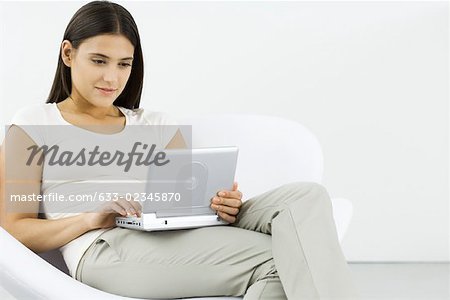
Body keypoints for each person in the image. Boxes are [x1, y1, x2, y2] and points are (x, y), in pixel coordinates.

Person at [0, 1, 360, 299]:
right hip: (106, 248)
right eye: (99, 60)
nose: (112, 78)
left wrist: (220, 207)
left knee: (306, 197)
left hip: (173, 232)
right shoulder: (33, 123)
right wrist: (92, 219)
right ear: (68, 53)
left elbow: (184, 205)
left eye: (124, 64)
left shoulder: (156, 124)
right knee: (291, 259)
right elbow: (14, 230)